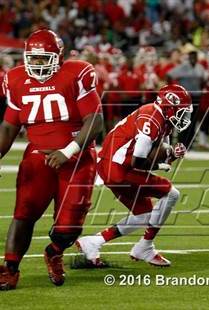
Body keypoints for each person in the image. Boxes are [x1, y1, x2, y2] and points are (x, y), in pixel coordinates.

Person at [0, 29, 103, 290]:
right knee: (23, 213)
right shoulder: (15, 78)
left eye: (43, 58)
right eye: (33, 58)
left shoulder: (76, 73)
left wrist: (68, 151)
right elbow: (8, 125)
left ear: (58, 56)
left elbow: (95, 121)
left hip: (77, 158)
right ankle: (10, 270)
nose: (37, 63)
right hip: (39, 155)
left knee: (69, 227)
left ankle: (54, 250)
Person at [76, 84, 190, 267]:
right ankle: (145, 246)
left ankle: (93, 242)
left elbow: (159, 152)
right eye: (181, 112)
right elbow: (139, 161)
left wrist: (169, 156)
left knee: (145, 214)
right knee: (171, 193)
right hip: (119, 168)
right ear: (169, 107)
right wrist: (163, 162)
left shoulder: (161, 118)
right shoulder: (151, 119)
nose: (184, 117)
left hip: (115, 166)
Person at [167, 51, 205, 148]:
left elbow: (203, 80)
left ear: (197, 58)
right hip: (184, 97)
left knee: (193, 120)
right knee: (183, 119)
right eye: (191, 56)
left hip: (196, 96)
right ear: (188, 57)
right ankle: (181, 142)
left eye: (194, 57)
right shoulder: (183, 67)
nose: (193, 58)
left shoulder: (200, 67)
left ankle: (189, 143)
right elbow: (169, 75)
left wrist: (200, 89)